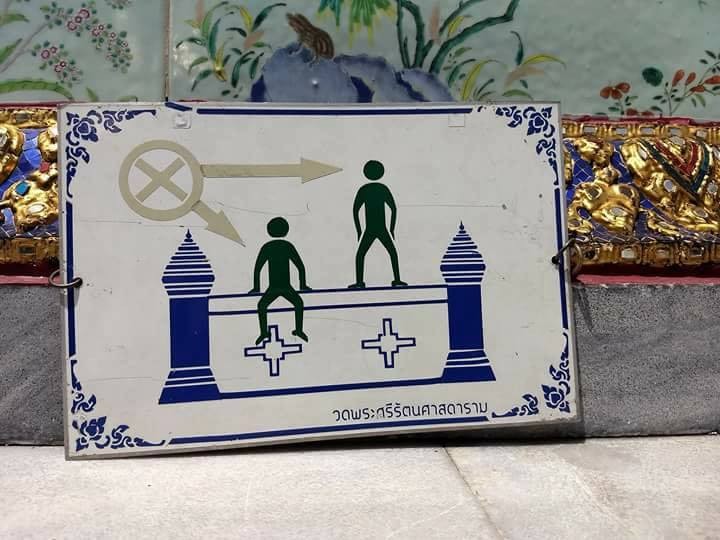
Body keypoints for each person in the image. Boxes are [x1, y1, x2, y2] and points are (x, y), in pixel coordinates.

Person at [249, 217, 311, 344]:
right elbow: (300, 266)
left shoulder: (267, 247)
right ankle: (299, 330)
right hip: (285, 286)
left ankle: (264, 332)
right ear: (285, 230)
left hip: (274, 287)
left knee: (262, 306)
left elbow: (258, 269)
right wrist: (302, 285)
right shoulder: (287, 246)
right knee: (298, 303)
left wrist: (257, 288)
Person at [349, 160, 407, 288]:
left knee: (361, 254)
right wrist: (392, 228)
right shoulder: (382, 189)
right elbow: (393, 208)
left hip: (372, 228)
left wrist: (359, 229)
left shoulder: (364, 189)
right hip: (380, 228)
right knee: (391, 252)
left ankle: (360, 282)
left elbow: (355, 210)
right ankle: (397, 280)